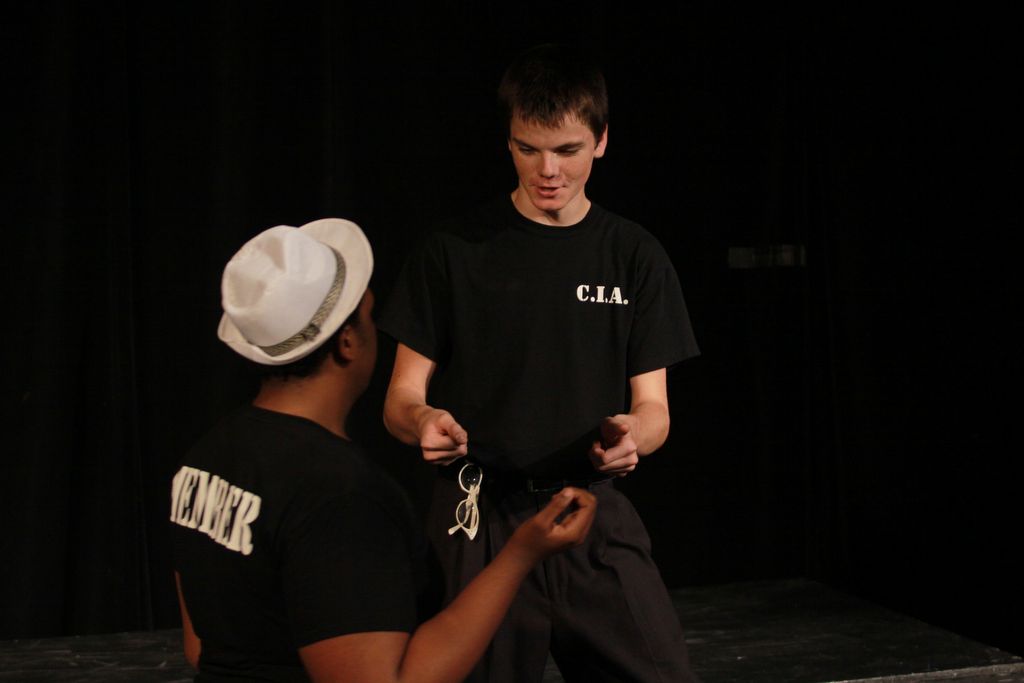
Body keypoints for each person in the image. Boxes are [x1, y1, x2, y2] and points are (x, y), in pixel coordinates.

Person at [379, 44, 701, 683]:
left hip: (588, 510)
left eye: (567, 150)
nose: (547, 170)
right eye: (528, 149)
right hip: (481, 518)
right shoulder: (453, 251)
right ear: (508, 141)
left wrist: (633, 436)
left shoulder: (633, 255)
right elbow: (400, 399)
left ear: (601, 141)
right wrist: (422, 422)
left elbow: (654, 410)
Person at [170, 218, 597, 683]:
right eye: (370, 317)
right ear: (347, 342)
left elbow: (201, 648)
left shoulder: (204, 458)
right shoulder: (342, 496)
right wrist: (520, 555)